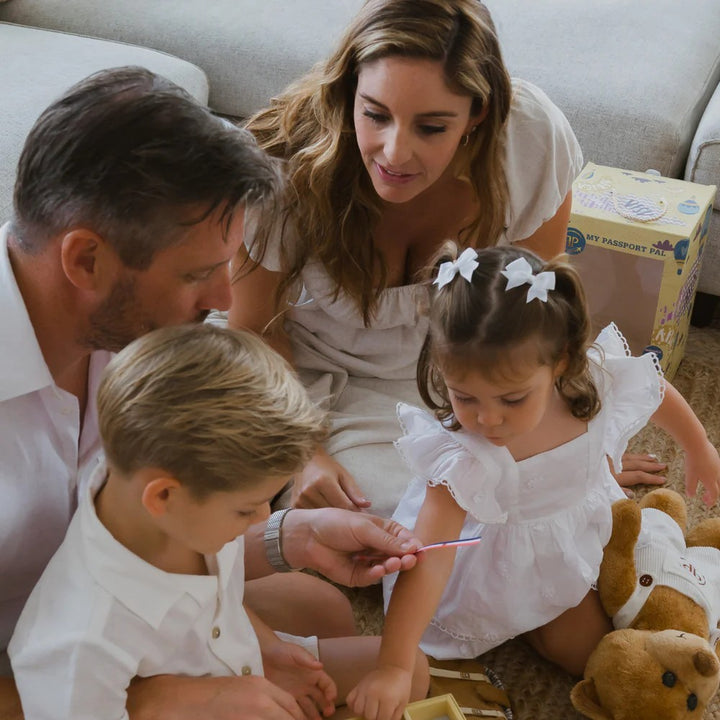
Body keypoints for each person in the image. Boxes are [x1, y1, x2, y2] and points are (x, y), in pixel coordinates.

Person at [0, 65, 422, 720]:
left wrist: (292, 536)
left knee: (326, 608)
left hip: (119, 596)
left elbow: (150, 519)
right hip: (59, 671)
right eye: (197, 275)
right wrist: (157, 699)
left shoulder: (132, 342)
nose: (226, 303)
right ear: (85, 260)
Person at [227, 0, 665, 519]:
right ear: (348, 95)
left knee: (518, 511)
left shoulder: (527, 141)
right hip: (295, 371)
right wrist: (302, 455)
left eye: (431, 127)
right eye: (374, 114)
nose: (393, 153)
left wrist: (564, 452)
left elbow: (526, 323)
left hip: (459, 375)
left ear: (476, 115)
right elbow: (253, 328)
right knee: (382, 518)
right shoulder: (282, 163)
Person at [344, 243, 720, 720]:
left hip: (565, 539)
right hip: (483, 571)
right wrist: (393, 665)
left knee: (599, 642)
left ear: (561, 362)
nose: (488, 419)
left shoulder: (592, 382)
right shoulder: (464, 457)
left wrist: (698, 447)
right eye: (464, 397)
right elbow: (430, 558)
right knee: (591, 660)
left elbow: (655, 389)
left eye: (512, 399)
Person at [9, 324, 429, 720]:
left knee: (400, 661)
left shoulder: (168, 510)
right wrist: (208, 698)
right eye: (247, 509)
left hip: (226, 659)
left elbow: (219, 600)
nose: (264, 517)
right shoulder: (81, 642)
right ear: (163, 496)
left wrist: (264, 646)